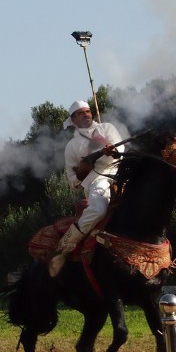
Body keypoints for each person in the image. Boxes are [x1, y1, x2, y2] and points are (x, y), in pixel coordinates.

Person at [49, 100, 125, 277]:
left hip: (121, 172)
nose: (86, 115)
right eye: (81, 113)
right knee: (98, 210)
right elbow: (73, 182)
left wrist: (109, 148)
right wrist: (86, 168)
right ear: (73, 119)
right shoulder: (71, 147)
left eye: (88, 111)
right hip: (97, 180)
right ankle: (66, 245)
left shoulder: (107, 128)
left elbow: (120, 149)